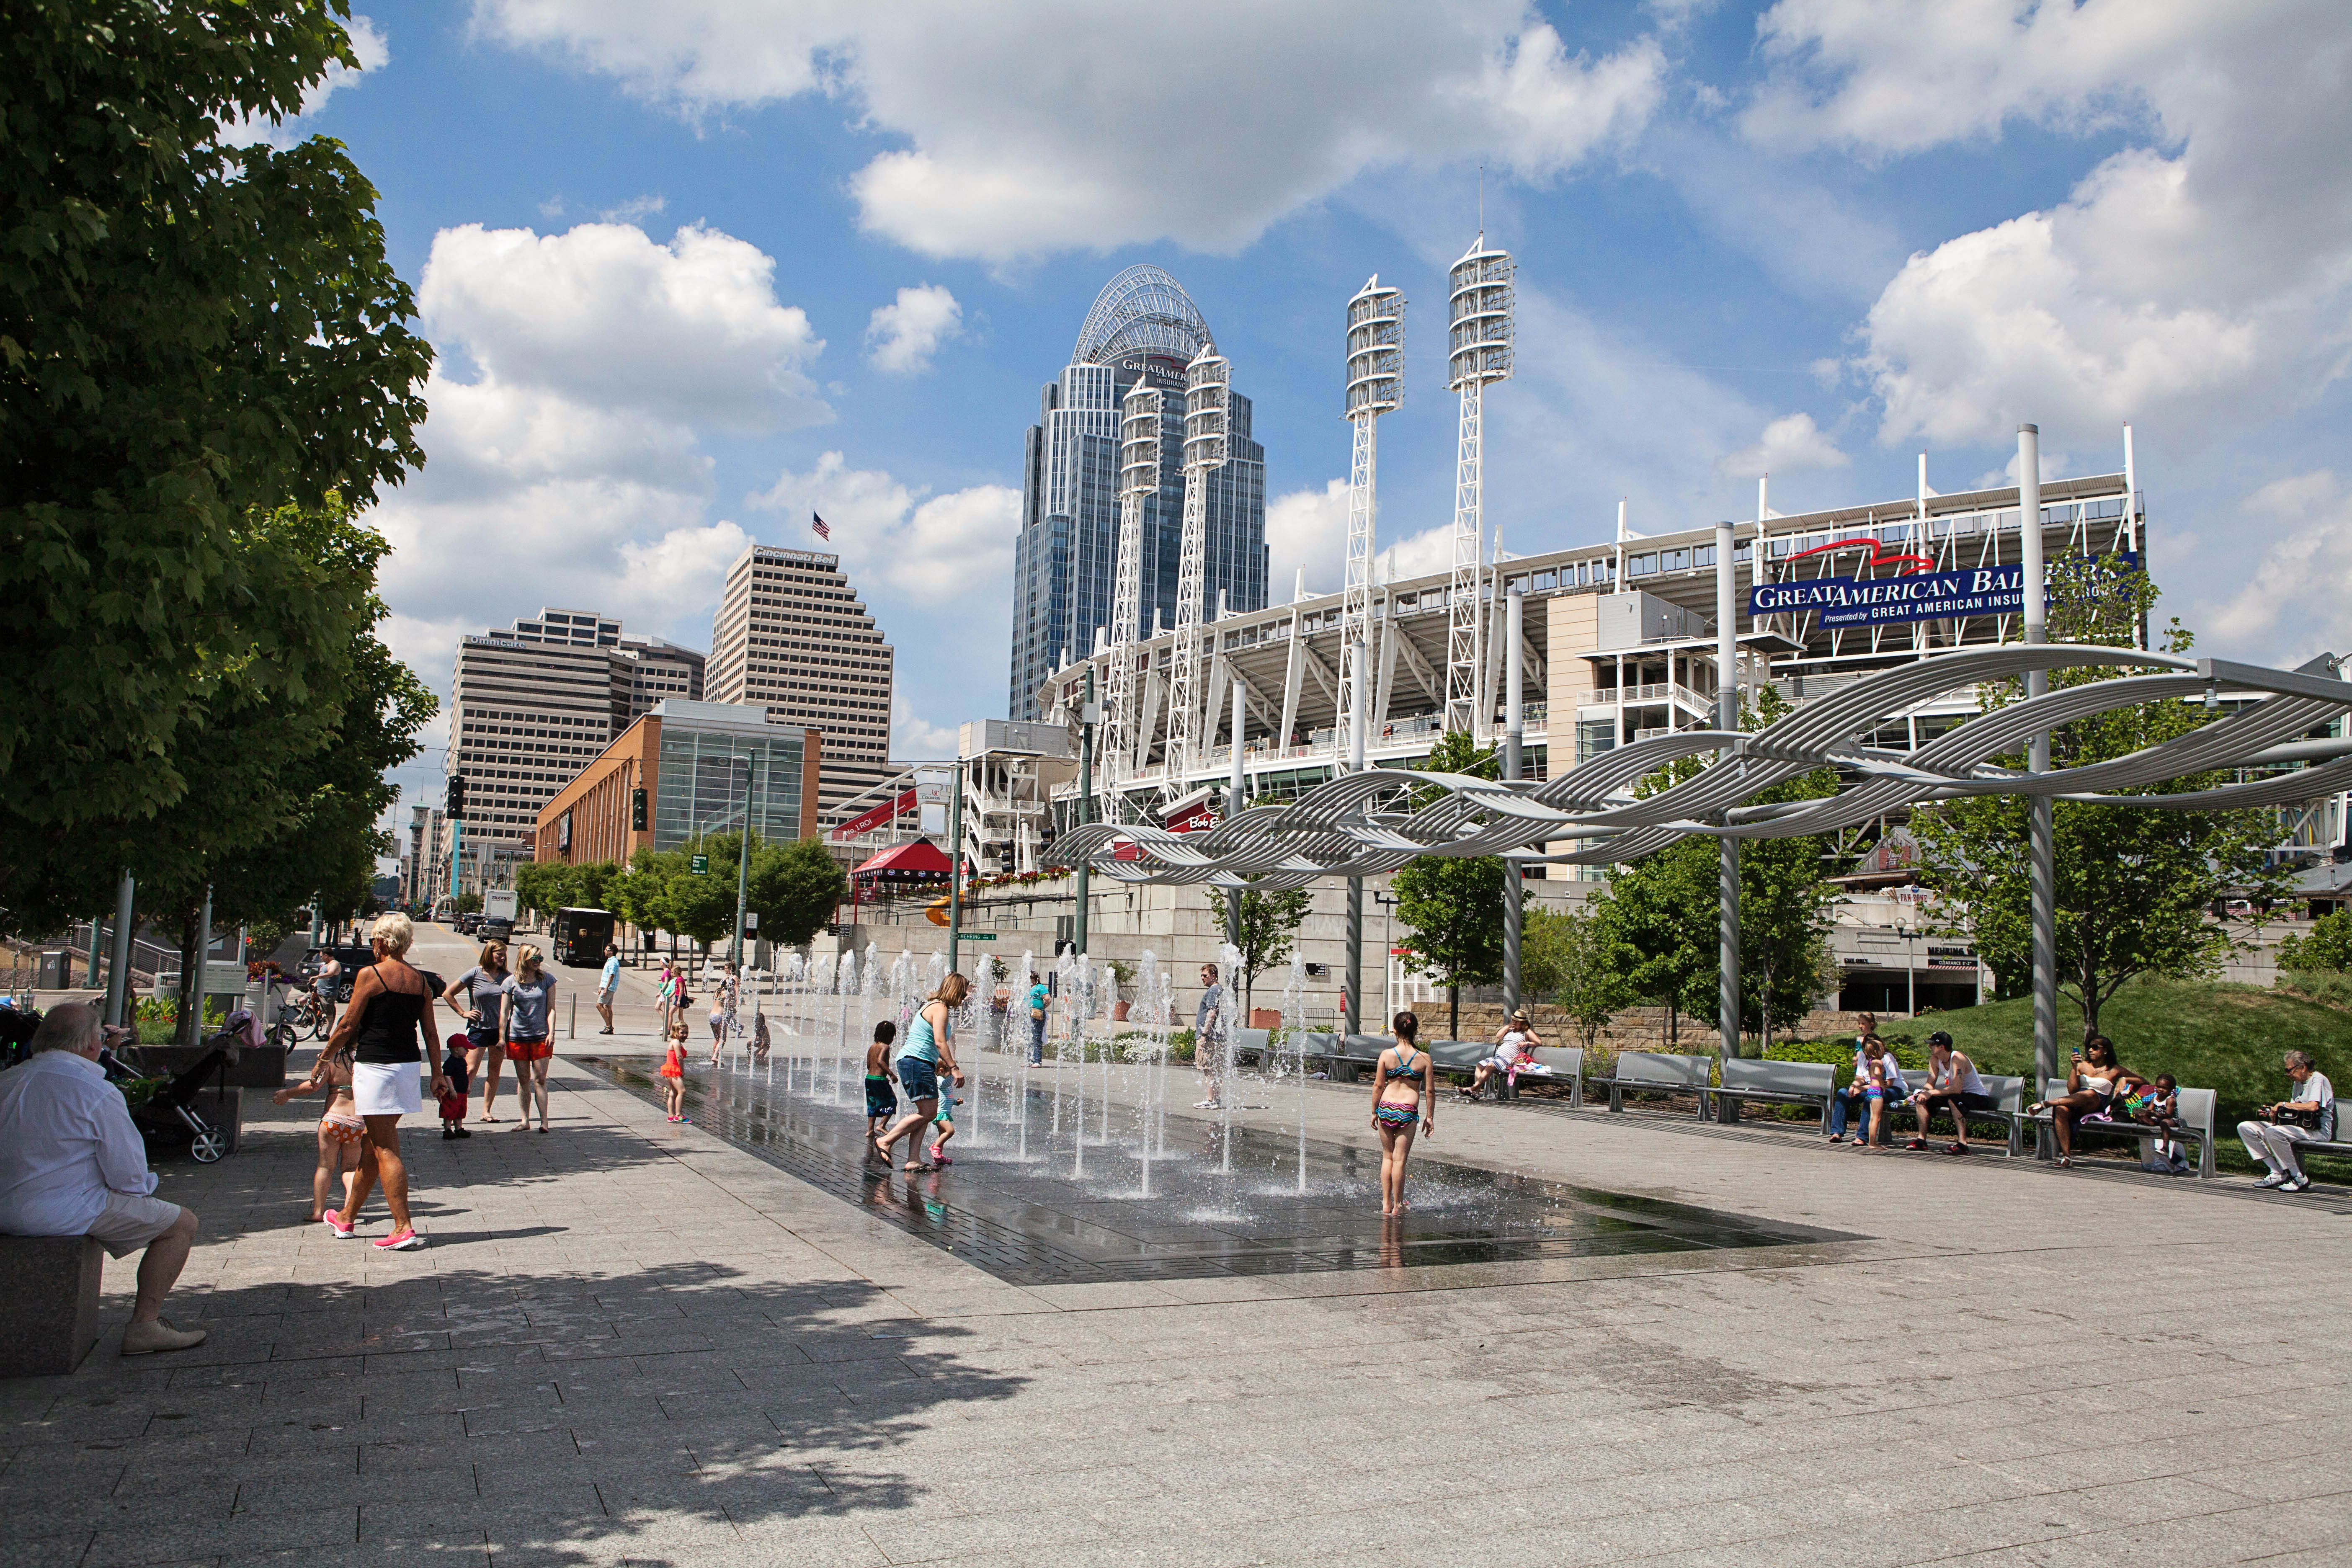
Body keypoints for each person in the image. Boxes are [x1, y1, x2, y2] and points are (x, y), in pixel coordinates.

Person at [0, 1003, 207, 1354]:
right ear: (92, 1044)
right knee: (181, 1224)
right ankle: (144, 1326)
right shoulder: (95, 1091)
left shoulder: (8, 1080)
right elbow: (129, 1176)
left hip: (7, 1204)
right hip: (58, 1210)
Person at [328, 913, 450, 1250]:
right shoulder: (421, 981)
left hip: (376, 1068)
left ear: (382, 942)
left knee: (384, 1147)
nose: (372, 946)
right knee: (372, 1143)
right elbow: (430, 1033)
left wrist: (324, 1058)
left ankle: (403, 1227)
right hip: (408, 1068)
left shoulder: (370, 975)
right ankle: (346, 1217)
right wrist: (437, 1073)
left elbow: (347, 1026)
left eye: (373, 940)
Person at [876, 975, 967, 1171]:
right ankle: (886, 1141)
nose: (965, 997)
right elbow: (940, 1042)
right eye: (963, 992)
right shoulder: (939, 1008)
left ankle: (914, 1159)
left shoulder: (935, 1006)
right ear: (955, 991)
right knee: (929, 1113)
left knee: (927, 1113)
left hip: (917, 1062)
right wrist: (954, 1068)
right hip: (917, 1062)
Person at [273, 1026, 364, 1217]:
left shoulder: (331, 1059)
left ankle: (317, 1211)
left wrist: (287, 1094)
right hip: (357, 1122)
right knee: (350, 1168)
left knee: (325, 1166)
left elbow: (313, 1086)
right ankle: (349, 1209)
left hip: (332, 1119)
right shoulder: (365, 1060)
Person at [2029, 1035, 2141, 1168]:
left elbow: (2142, 1080)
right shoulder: (2082, 1066)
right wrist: (2074, 1068)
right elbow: (2072, 1091)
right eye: (2089, 1047)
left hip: (2096, 1105)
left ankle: (2047, 1104)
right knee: (2060, 1110)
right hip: (2076, 1102)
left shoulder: (2115, 1069)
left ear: (2106, 1051)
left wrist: (2125, 1079)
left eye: (2095, 1047)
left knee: (2091, 1093)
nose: (2090, 1050)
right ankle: (2066, 1157)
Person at [2239, 1050, 2336, 1193]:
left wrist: (2283, 1105)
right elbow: (2294, 1110)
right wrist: (2273, 1111)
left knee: (2274, 1132)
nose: (2288, 1074)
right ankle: (2277, 1172)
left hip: (2318, 1131)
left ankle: (2298, 1178)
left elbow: (2312, 1106)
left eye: (2289, 1070)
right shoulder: (2298, 1083)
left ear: (2303, 1067)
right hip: (2299, 1127)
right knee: (2246, 1127)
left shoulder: (2318, 1079)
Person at [1369, 1010, 1434, 1215]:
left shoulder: (1387, 1056)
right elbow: (1430, 1090)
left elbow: (1378, 1086)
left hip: (1386, 1108)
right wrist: (1430, 1117)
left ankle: (1386, 1203)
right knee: (1400, 1160)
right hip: (1408, 1111)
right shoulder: (1424, 1059)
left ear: (1395, 1031)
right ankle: (1398, 1206)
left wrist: (1374, 1111)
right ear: (1415, 1031)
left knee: (1387, 1157)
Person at [443, 941, 511, 1121]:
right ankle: (457, 1108)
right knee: (470, 1069)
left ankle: (486, 1112)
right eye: (499, 954)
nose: (503, 958)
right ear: (489, 953)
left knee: (494, 1070)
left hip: (499, 1031)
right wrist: (463, 1012)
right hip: (478, 1029)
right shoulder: (475, 973)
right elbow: (448, 993)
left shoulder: (507, 977)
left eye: (504, 954)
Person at [1906, 1031, 1994, 1155]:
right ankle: (1921, 1141)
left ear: (1942, 1047)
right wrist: (1924, 1092)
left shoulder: (1957, 1058)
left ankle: (1963, 1144)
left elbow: (1957, 1089)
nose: (1929, 1047)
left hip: (1977, 1097)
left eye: (1932, 1045)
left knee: (1954, 1099)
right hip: (1956, 1095)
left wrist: (1932, 1093)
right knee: (1921, 1099)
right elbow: (1930, 1082)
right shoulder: (1935, 1059)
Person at [500, 946, 557, 1134]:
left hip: (541, 1037)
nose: (538, 961)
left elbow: (551, 1009)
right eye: (534, 957)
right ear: (524, 958)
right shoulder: (510, 982)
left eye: (540, 958)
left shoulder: (547, 980)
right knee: (523, 1079)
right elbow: (504, 1012)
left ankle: (544, 1121)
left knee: (540, 1079)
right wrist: (502, 1037)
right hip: (517, 1037)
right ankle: (525, 1120)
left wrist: (552, 1033)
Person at [1827, 1026, 1903, 1141]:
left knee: (1870, 1098)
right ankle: (1837, 1132)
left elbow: (1888, 1083)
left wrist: (1863, 1089)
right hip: (1872, 1087)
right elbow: (1860, 1077)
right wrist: (1854, 1087)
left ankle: (1862, 1137)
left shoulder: (1886, 1058)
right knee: (1843, 1093)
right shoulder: (1863, 1057)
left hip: (1894, 1090)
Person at [1466, 1010, 1540, 1100]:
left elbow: (1538, 1042)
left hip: (1509, 1060)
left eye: (1517, 1021)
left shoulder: (1526, 1032)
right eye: (1513, 1020)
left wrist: (1527, 1043)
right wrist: (1509, 1026)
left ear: (1523, 1023)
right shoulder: (1510, 1030)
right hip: (1498, 1057)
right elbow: (1499, 1036)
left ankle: (1474, 1088)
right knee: (1480, 1065)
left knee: (1490, 1066)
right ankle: (1476, 1093)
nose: (1515, 1023)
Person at [2125, 1073, 2189, 1174]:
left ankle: (2165, 1148)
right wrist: (2142, 1113)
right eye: (2159, 1087)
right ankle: (2146, 1122)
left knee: (2164, 1123)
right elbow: (2149, 1111)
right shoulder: (2155, 1098)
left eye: (2164, 1088)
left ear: (2171, 1089)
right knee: (2142, 1115)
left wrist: (2154, 1113)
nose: (2161, 1090)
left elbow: (2168, 1114)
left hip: (2172, 1121)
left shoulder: (2170, 1100)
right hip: (2158, 1119)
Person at [1194, 963, 1227, 1109]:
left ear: (1214, 976)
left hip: (1210, 1038)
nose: (1203, 978)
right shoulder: (1219, 990)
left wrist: (1204, 1035)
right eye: (1202, 976)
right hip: (1218, 1037)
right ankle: (1217, 1100)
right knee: (1216, 1068)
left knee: (1208, 1069)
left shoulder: (1213, 991)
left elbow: (1212, 1013)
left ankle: (1210, 1100)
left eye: (1205, 976)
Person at [865, 1021, 900, 1141]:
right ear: (888, 1036)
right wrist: (891, 1074)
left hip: (869, 1079)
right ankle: (882, 1126)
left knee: (872, 1103)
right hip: (880, 1080)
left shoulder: (872, 1047)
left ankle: (870, 1130)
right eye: (892, 1036)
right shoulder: (885, 1047)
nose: (893, 1039)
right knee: (892, 1102)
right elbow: (880, 1061)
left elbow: (869, 1064)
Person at [437, 1033, 471, 1140]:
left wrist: (468, 1085)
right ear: (456, 1050)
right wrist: (452, 1090)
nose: (468, 1051)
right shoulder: (450, 1063)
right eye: (465, 1049)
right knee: (449, 1111)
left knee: (460, 1112)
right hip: (454, 1092)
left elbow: (465, 1075)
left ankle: (459, 1129)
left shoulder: (462, 1061)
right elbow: (447, 1077)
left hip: (462, 1091)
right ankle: (448, 1130)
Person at [658, 1027, 688, 1123]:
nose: (685, 1035)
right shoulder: (676, 1042)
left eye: (686, 1033)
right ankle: (678, 1115)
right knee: (682, 1091)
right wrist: (682, 1071)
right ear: (676, 1032)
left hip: (671, 1069)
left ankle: (671, 1116)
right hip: (673, 1070)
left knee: (673, 1093)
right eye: (682, 1033)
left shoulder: (676, 1042)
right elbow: (679, 1057)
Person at [594, 944, 620, 1036]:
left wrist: (606, 988)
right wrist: (601, 987)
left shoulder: (613, 962)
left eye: (607, 950)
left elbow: (611, 975)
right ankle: (609, 1027)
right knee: (608, 1007)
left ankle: (609, 1026)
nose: (605, 951)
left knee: (599, 1005)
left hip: (609, 987)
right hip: (608, 987)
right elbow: (606, 976)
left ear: (611, 952)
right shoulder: (610, 961)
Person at [1027, 975, 1050, 1066]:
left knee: (1036, 1037)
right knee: (1027, 1037)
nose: (1032, 980)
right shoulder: (1029, 987)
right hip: (1027, 1015)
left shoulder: (1040, 987)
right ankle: (1028, 1059)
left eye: (1033, 978)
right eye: (1031, 978)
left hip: (1037, 1015)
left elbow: (1048, 999)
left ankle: (1037, 1060)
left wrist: (1042, 1008)